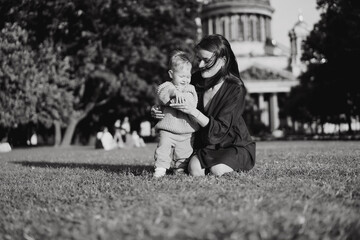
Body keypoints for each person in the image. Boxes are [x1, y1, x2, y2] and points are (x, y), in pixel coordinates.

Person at [152, 34, 255, 176]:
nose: (200, 65)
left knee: (216, 170)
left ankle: (234, 163)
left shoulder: (235, 88)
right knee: (194, 170)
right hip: (206, 144)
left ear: (223, 61)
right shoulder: (194, 80)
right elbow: (171, 92)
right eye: (199, 59)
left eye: (206, 60)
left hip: (232, 143)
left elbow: (220, 129)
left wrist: (193, 111)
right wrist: (159, 109)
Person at [153, 50, 199, 178]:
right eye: (181, 76)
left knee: (184, 153)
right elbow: (162, 93)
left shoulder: (190, 88)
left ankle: (179, 170)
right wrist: (174, 92)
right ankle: (160, 169)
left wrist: (182, 96)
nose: (185, 80)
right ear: (171, 74)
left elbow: (191, 102)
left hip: (186, 131)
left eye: (188, 76)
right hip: (167, 129)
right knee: (163, 148)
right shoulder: (167, 86)